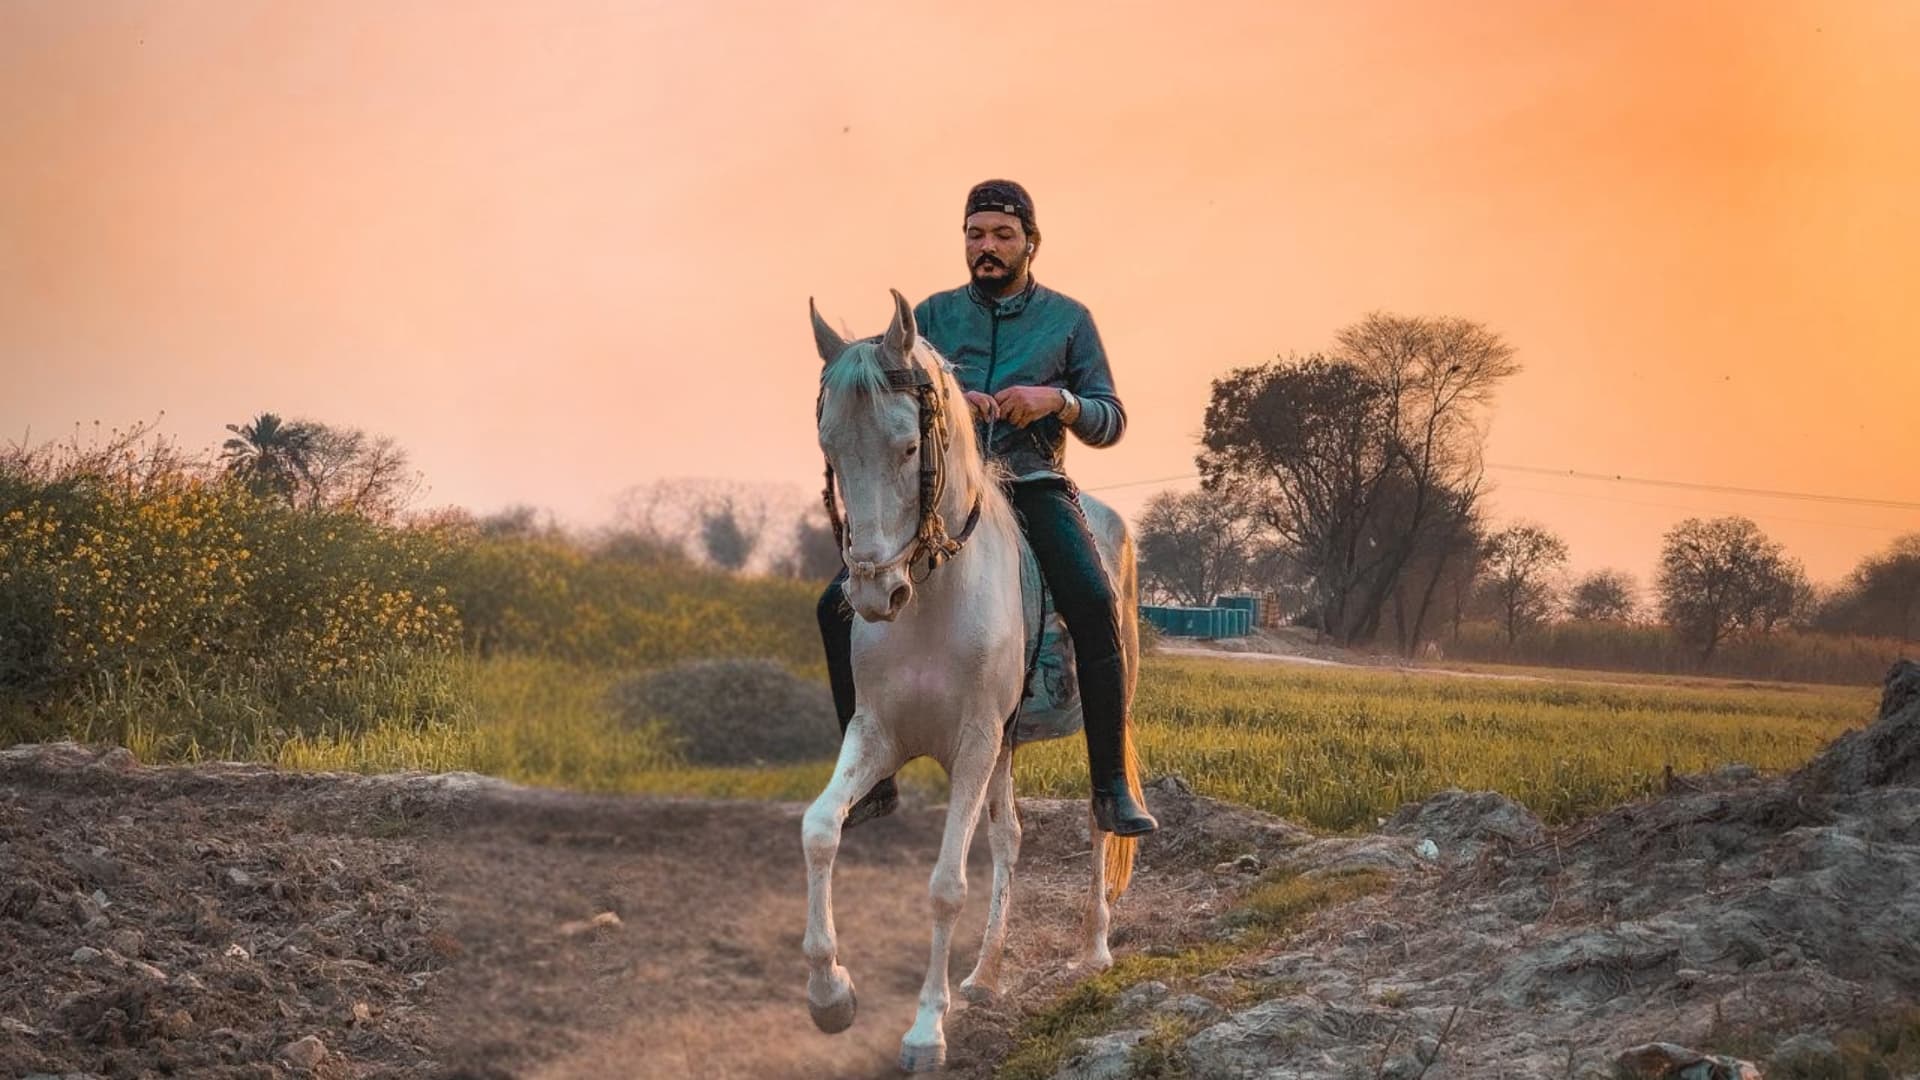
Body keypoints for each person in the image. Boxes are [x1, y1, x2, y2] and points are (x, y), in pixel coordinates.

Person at [815, 178, 1158, 837]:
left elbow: (1110, 419)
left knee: (1091, 599)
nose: (987, 247)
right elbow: (896, 404)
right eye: (975, 234)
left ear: (1031, 242)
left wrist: (1057, 402)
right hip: (946, 495)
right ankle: (874, 782)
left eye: (1002, 235)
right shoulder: (929, 319)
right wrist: (954, 407)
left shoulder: (1068, 321)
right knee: (832, 608)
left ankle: (1110, 785)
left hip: (1033, 483)